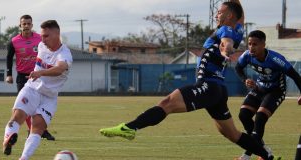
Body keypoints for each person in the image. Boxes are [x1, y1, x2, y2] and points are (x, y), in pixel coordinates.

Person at [100, 1, 280, 160]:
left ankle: (130, 128)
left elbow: (226, 41)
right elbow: (239, 15)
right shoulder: (238, 29)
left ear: (229, 15)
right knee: (232, 134)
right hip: (217, 90)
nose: (216, 14)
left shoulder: (225, 30)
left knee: (167, 103)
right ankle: (267, 156)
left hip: (208, 86)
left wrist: (226, 49)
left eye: (219, 11)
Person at [2, 20, 73, 160]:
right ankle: (7, 140)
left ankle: (23, 158)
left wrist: (41, 73)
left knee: (38, 128)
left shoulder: (65, 54)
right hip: (32, 89)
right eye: (42, 35)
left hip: (49, 97)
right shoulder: (41, 45)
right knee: (17, 116)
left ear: (56, 34)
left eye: (46, 36)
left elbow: (59, 69)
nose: (42, 39)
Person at [234, 30, 301, 160]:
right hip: (260, 88)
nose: (251, 47)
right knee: (244, 115)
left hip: (276, 91)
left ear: (263, 44)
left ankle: (246, 156)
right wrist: (244, 79)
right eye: (249, 44)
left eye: (255, 44)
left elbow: (295, 75)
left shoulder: (275, 59)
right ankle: (265, 151)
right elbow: (238, 68)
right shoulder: (247, 55)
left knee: (260, 118)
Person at [6, 14, 55, 141]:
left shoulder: (40, 38)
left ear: (32, 25)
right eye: (24, 24)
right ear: (20, 26)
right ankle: (36, 131)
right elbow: (9, 58)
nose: (26, 26)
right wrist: (8, 74)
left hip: (38, 76)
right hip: (22, 77)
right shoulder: (14, 41)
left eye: (29, 23)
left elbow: (50, 51)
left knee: (40, 105)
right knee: (24, 105)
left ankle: (41, 130)